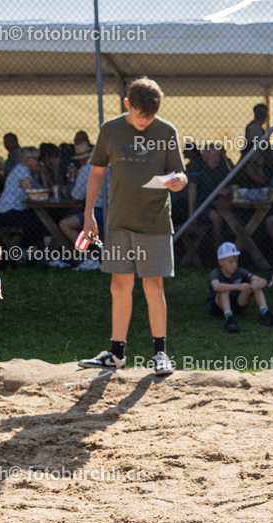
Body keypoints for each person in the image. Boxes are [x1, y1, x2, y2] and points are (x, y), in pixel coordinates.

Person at [77, 77, 188, 376]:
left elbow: (179, 173)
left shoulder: (166, 131)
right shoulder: (110, 130)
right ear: (128, 105)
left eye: (149, 117)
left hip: (155, 222)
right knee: (119, 286)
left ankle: (160, 353)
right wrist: (89, 215)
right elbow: (97, 173)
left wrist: (180, 182)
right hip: (118, 223)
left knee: (153, 285)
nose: (144, 122)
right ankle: (116, 353)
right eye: (140, 116)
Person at [58, 141, 107, 271]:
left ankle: (89, 258)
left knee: (65, 224)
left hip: (99, 212)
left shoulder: (86, 169)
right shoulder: (110, 165)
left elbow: (76, 196)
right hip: (115, 210)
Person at [208, 242, 273, 332]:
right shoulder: (216, 273)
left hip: (237, 304)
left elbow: (262, 280)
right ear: (221, 262)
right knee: (224, 289)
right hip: (218, 307)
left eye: (236, 261)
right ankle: (229, 319)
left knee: (255, 283)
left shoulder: (239, 271)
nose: (234, 264)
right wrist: (238, 287)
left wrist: (256, 285)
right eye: (230, 262)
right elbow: (216, 287)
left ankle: (265, 313)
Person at [0, 146, 45, 261]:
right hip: (8, 213)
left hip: (18, 210)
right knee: (37, 221)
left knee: (39, 219)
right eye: (37, 159)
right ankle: (25, 251)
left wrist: (42, 173)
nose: (39, 162)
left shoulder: (29, 171)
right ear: (28, 160)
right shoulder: (22, 169)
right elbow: (31, 191)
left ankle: (27, 251)